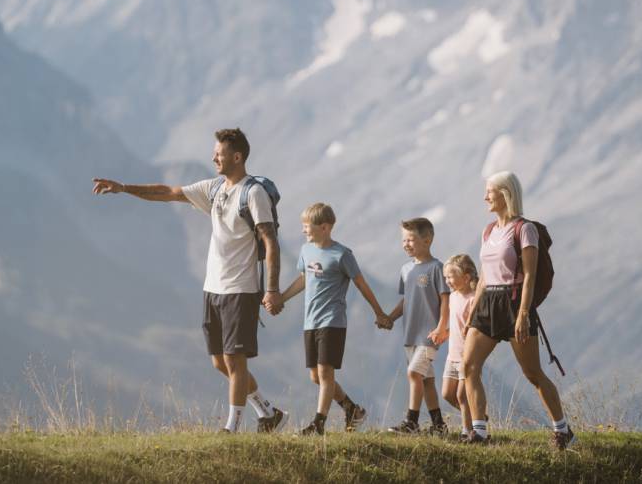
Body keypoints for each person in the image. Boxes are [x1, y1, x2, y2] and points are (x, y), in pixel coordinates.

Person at [92, 128, 286, 433]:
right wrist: (124, 188)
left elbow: (270, 242)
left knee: (235, 361)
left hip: (241, 288)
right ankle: (268, 412)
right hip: (213, 288)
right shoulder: (214, 188)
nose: (214, 158)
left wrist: (272, 289)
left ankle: (231, 428)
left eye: (219, 154)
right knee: (220, 362)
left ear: (237, 157)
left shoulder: (253, 194)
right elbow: (168, 192)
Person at [460, 171, 574, 449]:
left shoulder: (525, 229)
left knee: (532, 373)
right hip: (487, 303)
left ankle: (562, 430)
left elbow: (530, 276)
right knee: (469, 366)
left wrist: (523, 314)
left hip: (514, 302)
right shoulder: (488, 230)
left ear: (505, 194)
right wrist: (473, 311)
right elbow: (484, 276)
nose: (485, 197)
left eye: (489, 191)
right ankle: (479, 432)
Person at [275, 202, 392, 435]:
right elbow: (304, 278)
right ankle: (352, 410)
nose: (303, 230)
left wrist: (379, 312)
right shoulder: (306, 250)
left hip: (332, 320)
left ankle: (318, 424)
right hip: (310, 321)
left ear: (325, 227)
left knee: (325, 372)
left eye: (307, 225)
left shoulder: (342, 255)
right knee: (315, 376)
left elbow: (361, 284)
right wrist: (282, 298)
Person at [384, 217, 449, 435]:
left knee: (413, 374)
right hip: (410, 335)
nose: (406, 244)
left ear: (427, 240)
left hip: (429, 336)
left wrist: (441, 327)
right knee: (426, 380)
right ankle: (439, 426)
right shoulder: (405, 269)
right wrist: (390, 318)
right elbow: (407, 300)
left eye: (410, 240)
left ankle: (411, 422)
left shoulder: (437, 268)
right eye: (404, 240)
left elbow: (445, 299)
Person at [439, 254, 481, 442]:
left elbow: (474, 327)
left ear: (466, 277)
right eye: (445, 277)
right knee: (447, 394)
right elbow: (457, 323)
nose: (447, 281)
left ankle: (467, 431)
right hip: (452, 355)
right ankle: (477, 415)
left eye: (450, 276)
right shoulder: (453, 297)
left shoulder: (474, 299)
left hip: (467, 355)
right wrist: (445, 332)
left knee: (462, 395)